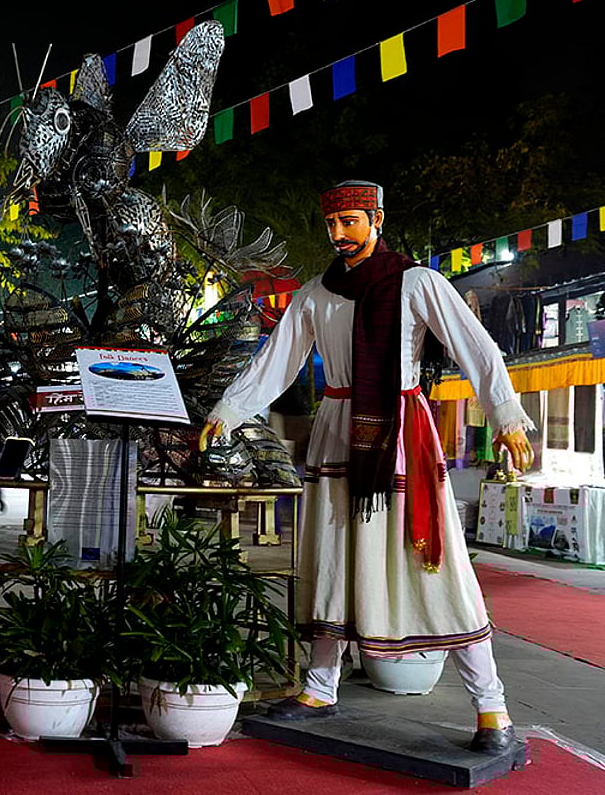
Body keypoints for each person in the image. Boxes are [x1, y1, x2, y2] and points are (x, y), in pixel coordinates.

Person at [199, 181, 534, 753]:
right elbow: (276, 360)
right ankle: (318, 687)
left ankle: (492, 708)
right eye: (332, 224)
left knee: (435, 567)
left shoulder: (417, 283)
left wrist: (505, 415)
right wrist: (227, 411)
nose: (339, 234)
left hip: (400, 435)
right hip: (336, 433)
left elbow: (476, 347)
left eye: (350, 222)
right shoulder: (317, 293)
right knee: (333, 559)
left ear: (377, 220)